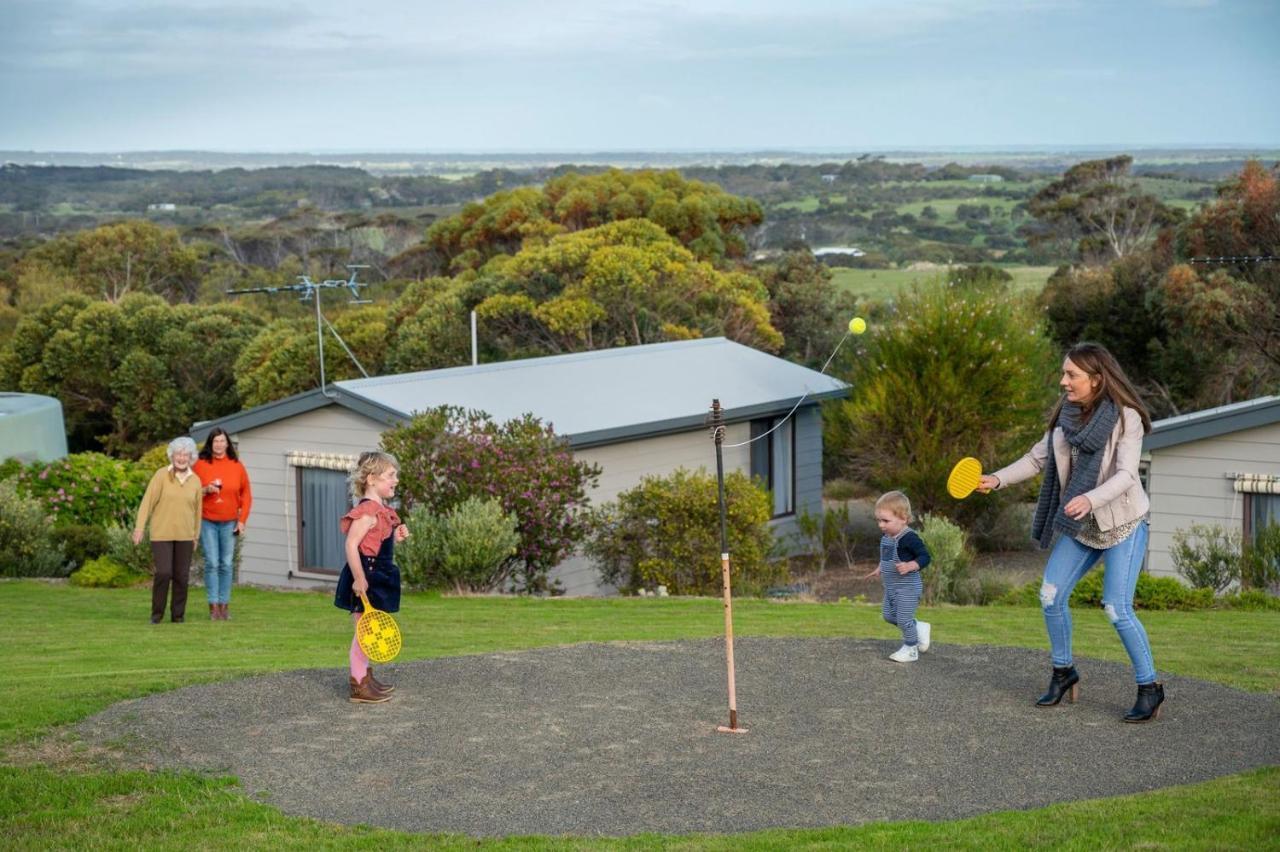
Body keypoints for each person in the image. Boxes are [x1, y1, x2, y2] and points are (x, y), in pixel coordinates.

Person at [979, 342, 1163, 723]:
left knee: (1116, 608)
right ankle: (1063, 673)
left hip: (1123, 524)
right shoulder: (1067, 418)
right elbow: (1035, 459)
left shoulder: (1125, 417)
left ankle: (1150, 687)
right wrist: (995, 479)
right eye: (1064, 374)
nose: (1063, 381)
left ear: (1096, 379)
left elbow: (1129, 475)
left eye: (1071, 375)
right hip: (1082, 527)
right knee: (1049, 596)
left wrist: (1090, 499)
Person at [334, 451, 410, 704]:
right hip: (366, 577)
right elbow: (351, 545)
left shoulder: (381, 511)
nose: (396, 480)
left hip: (378, 574)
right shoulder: (366, 511)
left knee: (371, 629)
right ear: (372, 479)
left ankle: (365, 676)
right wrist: (358, 578)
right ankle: (358, 684)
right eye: (391, 475)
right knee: (365, 632)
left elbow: (375, 544)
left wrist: (395, 537)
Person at [133, 436, 203, 624]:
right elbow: (147, 502)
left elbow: (198, 511)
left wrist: (196, 535)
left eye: (185, 454)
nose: (181, 458)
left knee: (182, 576)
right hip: (161, 534)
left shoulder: (195, 480)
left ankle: (178, 615)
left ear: (191, 457)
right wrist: (139, 528)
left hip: (185, 536)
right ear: (172, 456)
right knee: (164, 572)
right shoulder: (161, 475)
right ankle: (157, 614)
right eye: (178, 454)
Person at [863, 491, 933, 662]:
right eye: (878, 520)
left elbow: (925, 557)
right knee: (888, 615)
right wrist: (880, 567)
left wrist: (911, 565)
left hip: (908, 587)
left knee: (903, 619)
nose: (881, 525)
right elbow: (887, 557)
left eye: (885, 521)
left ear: (903, 518)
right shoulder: (887, 537)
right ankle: (919, 627)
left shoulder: (909, 538)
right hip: (891, 587)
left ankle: (911, 648)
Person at [193, 427, 252, 621]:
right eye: (215, 441)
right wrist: (205, 490)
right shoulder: (201, 465)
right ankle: (213, 607)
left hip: (229, 522)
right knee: (211, 563)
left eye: (222, 441)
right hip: (208, 520)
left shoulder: (237, 466)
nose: (219, 444)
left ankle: (224, 606)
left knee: (226, 564)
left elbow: (246, 495)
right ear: (210, 444)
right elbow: (191, 492)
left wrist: (242, 520)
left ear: (228, 443)